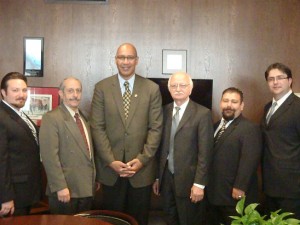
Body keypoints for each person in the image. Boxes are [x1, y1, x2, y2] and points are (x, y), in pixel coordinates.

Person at [90, 43, 163, 225]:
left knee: (138, 221)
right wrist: (110, 161)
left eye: (130, 58)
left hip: (141, 172)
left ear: (136, 61)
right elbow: (97, 127)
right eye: (121, 58)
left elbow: (156, 129)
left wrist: (142, 160)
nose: (125, 62)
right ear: (115, 60)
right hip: (111, 172)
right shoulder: (102, 88)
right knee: (112, 221)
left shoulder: (151, 89)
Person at [152, 72, 214, 225]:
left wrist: (199, 184)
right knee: (169, 219)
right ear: (168, 88)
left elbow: (205, 153)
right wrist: (158, 177)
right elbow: (160, 147)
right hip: (166, 180)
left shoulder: (202, 113)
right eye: (174, 85)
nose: (178, 89)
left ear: (190, 89)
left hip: (190, 182)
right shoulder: (163, 111)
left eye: (182, 85)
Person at [39, 77, 97, 214]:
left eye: (78, 91)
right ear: (61, 94)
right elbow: (49, 157)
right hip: (65, 191)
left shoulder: (83, 117)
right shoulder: (51, 118)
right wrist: (60, 187)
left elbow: (87, 154)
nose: (75, 95)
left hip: (86, 189)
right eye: (70, 91)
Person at [206, 87, 262, 225]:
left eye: (234, 101)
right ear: (220, 103)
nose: (229, 105)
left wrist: (240, 186)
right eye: (225, 101)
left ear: (241, 106)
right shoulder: (214, 126)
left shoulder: (250, 128)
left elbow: (249, 160)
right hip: (214, 193)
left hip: (234, 195)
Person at [261, 63, 300, 218]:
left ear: (290, 80)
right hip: (270, 183)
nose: (275, 82)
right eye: (271, 79)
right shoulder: (268, 107)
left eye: (280, 78)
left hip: (292, 186)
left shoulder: (297, 107)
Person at [0, 72, 41, 216]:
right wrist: (5, 198)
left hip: (25, 192)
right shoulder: (2, 117)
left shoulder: (19, 113)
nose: (21, 94)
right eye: (15, 90)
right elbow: (1, 162)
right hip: (12, 195)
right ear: (3, 92)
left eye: (24, 90)